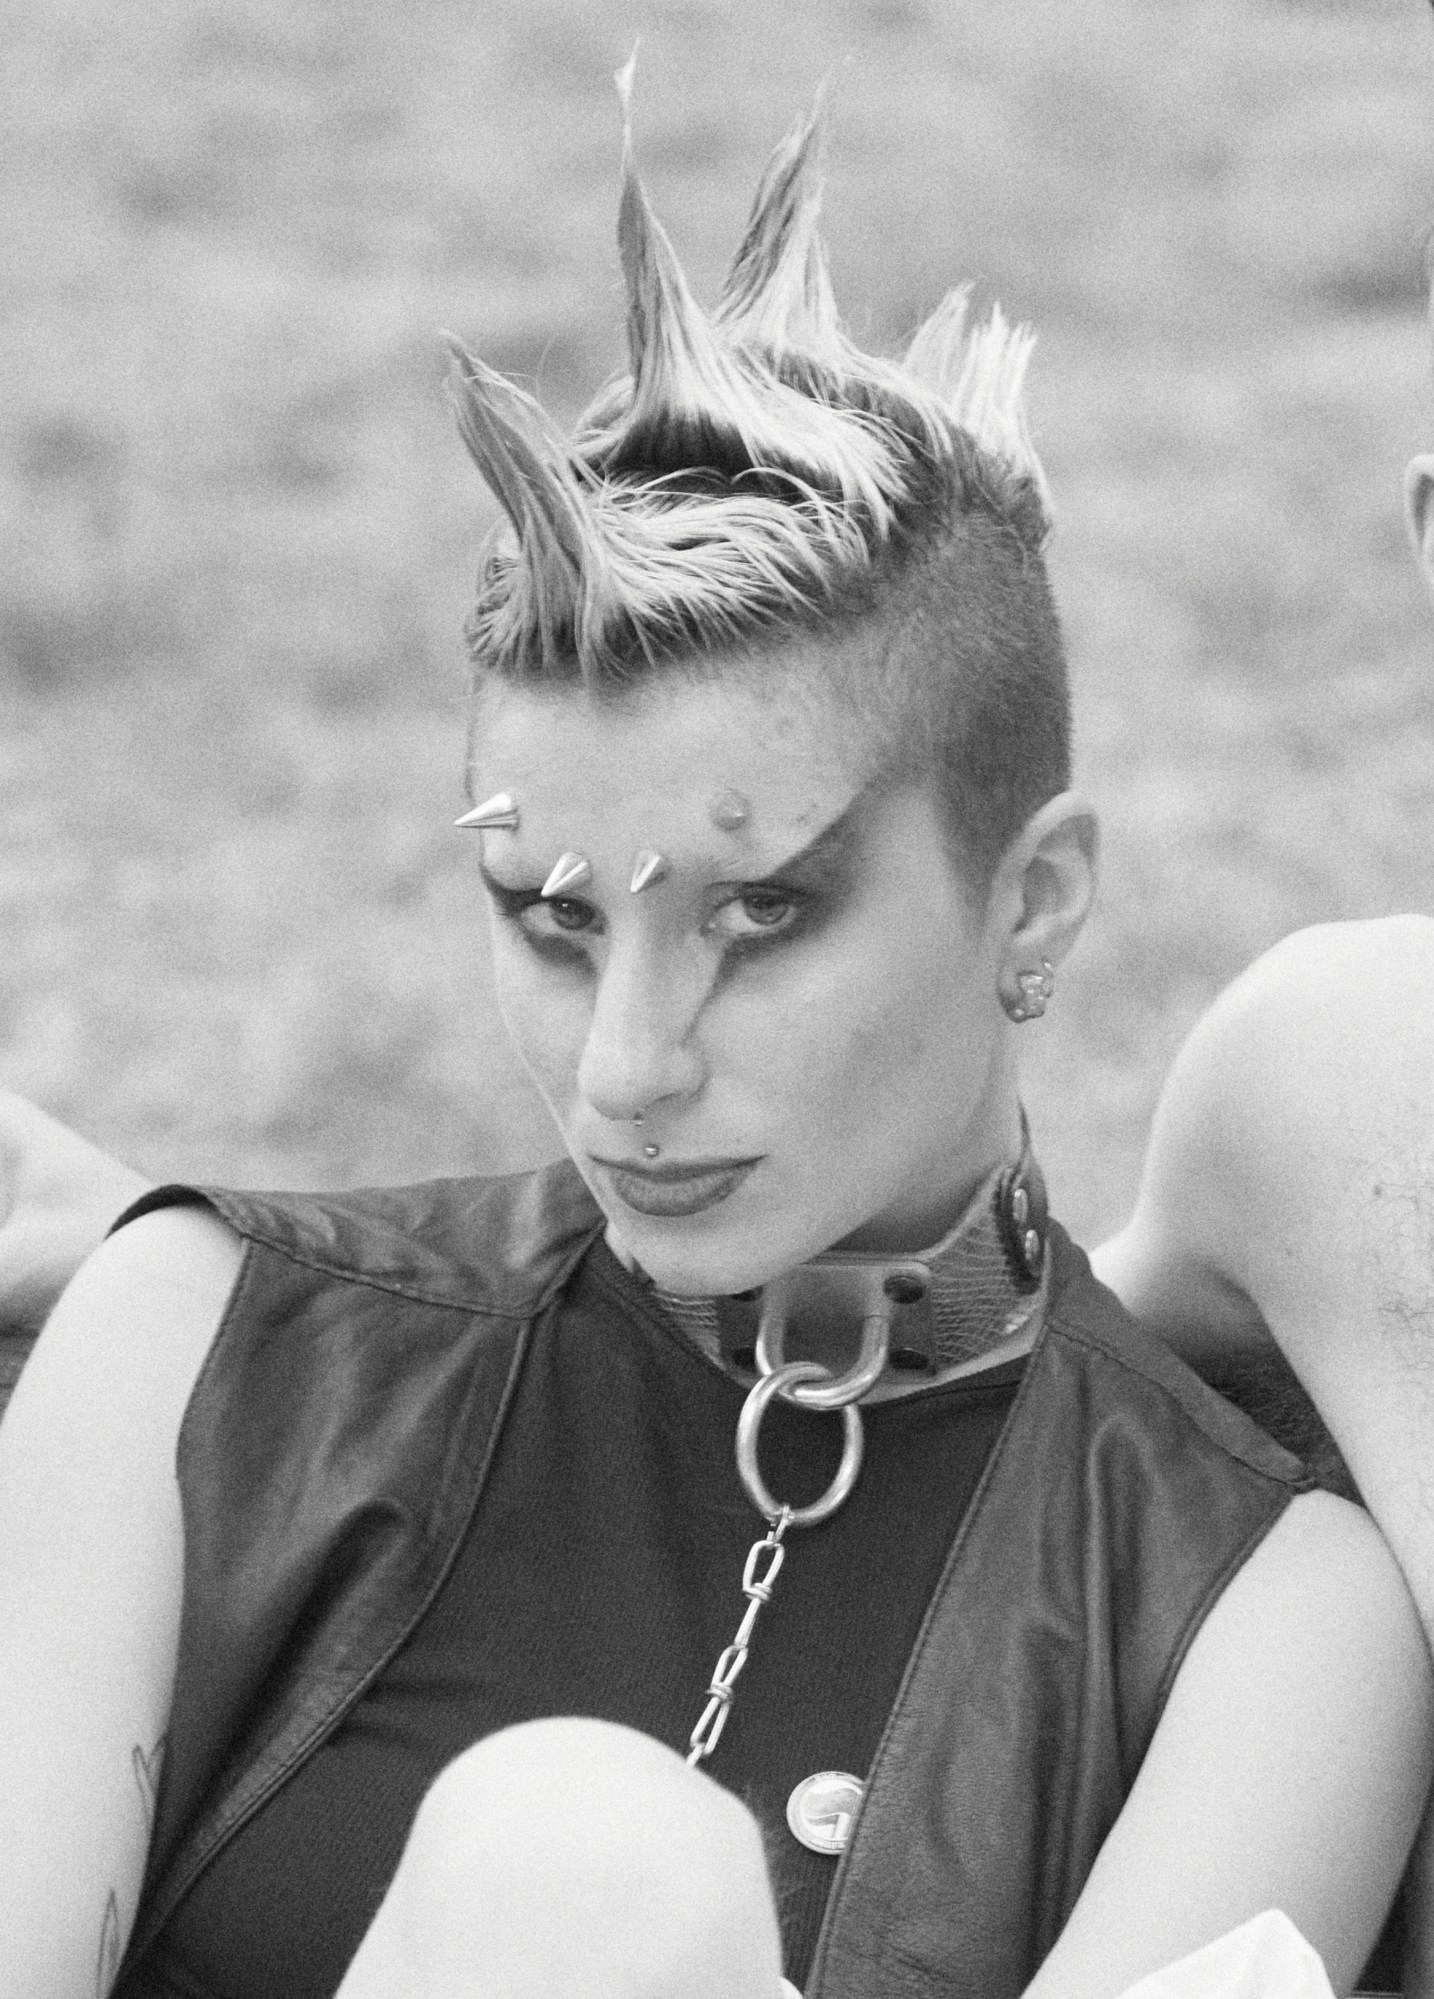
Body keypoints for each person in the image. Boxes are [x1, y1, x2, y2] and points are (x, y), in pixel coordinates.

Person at [1, 99, 1428, 1999]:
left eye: (762, 916)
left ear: (1037, 904)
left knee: (582, 1865)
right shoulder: (198, 1346)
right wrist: (265, 1305)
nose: (627, 1072)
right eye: (552, 918)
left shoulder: (1264, 1609)